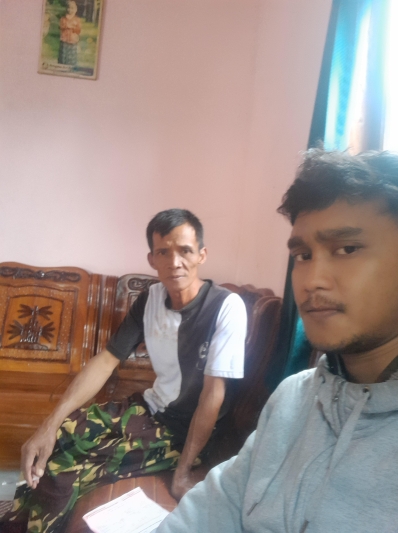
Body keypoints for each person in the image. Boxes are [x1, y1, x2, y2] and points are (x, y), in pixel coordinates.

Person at [154, 149, 398, 533]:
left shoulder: (223, 307)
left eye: (347, 249)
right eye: (303, 255)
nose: (312, 280)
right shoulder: (292, 397)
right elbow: (219, 502)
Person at [0, 209, 247, 533]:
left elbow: (213, 395)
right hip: (149, 409)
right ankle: (16, 522)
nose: (175, 262)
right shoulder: (150, 300)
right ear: (151, 259)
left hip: (185, 432)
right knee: (60, 434)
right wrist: (50, 423)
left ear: (202, 254)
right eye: (164, 252)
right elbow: (106, 360)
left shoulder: (226, 307)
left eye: (185, 251)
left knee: (63, 466)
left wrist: (184, 471)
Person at [58, 1, 81, 66]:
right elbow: (61, 27)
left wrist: (73, 28)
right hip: (64, 40)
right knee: (63, 56)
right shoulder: (63, 18)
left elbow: (78, 30)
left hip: (73, 41)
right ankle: (62, 66)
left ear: (76, 9)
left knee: (72, 58)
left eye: (72, 8)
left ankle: (71, 67)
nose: (70, 10)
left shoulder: (77, 19)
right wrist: (66, 26)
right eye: (68, 8)